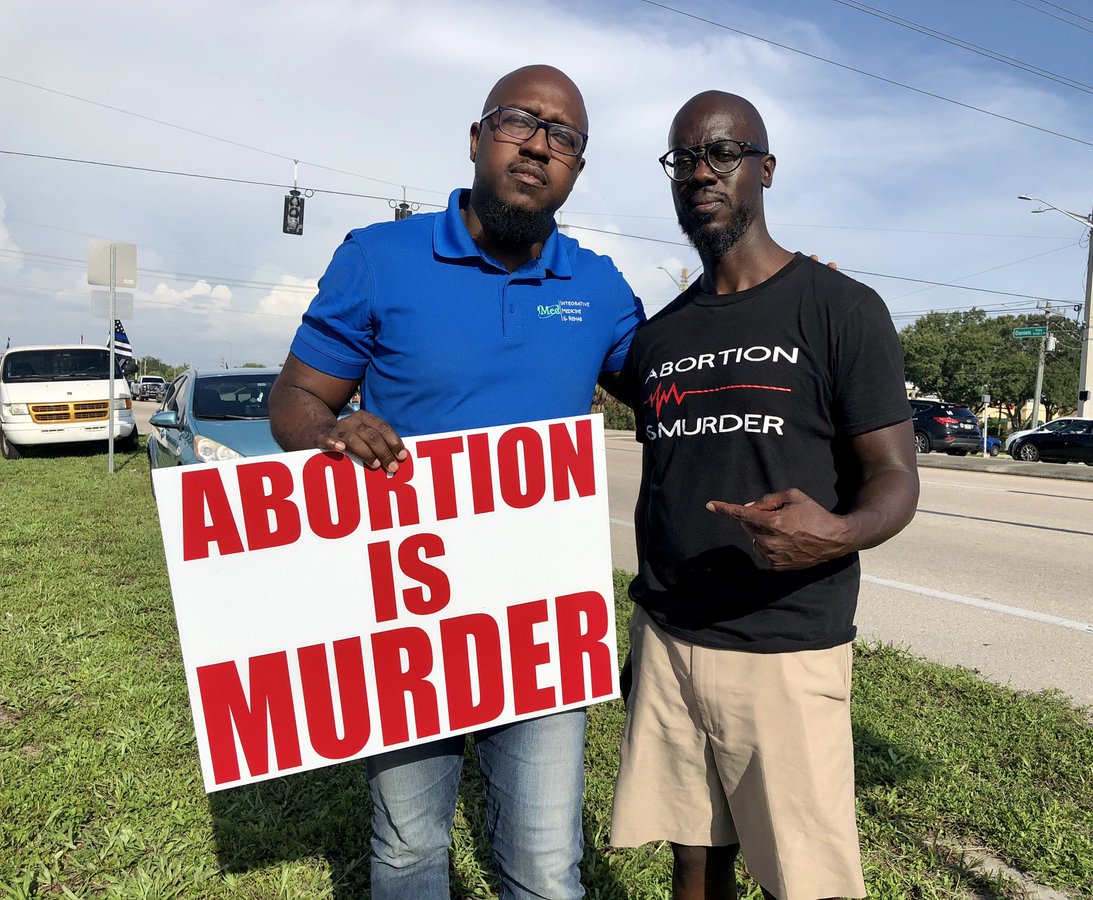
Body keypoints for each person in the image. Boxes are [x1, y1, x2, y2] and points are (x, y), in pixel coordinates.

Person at [269, 65, 644, 900]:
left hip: (540, 620)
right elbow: (296, 396)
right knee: (408, 852)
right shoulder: (379, 257)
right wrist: (327, 431)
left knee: (548, 869)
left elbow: (672, 390)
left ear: (576, 170)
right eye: (521, 120)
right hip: (410, 612)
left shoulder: (600, 286)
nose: (540, 144)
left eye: (566, 137)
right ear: (478, 139)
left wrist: (769, 319)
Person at [608, 91, 920, 900]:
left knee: (804, 878)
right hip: (670, 636)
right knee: (694, 858)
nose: (700, 173)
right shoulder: (660, 335)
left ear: (764, 169)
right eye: (684, 160)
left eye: (721, 153)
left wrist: (840, 531)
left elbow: (895, 477)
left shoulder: (840, 309)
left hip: (784, 646)